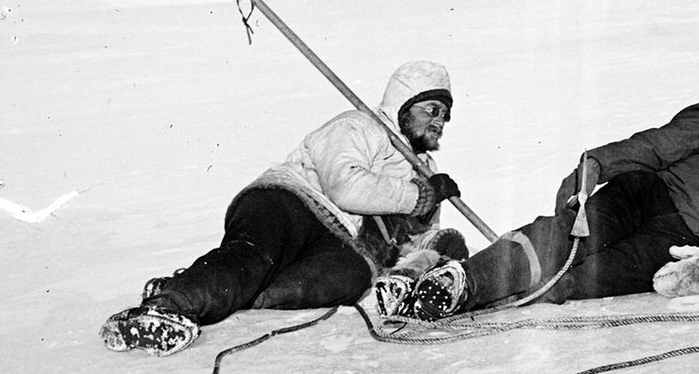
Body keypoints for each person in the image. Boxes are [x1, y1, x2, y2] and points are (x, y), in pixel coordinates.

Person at [389, 50, 699, 321]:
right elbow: (660, 143)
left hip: (692, 242)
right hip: (650, 192)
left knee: (588, 277)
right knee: (565, 237)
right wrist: (599, 163)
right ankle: (462, 283)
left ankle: (465, 294)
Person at [101, 61, 468, 355]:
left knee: (349, 280)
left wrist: (436, 245)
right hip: (292, 201)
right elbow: (345, 187)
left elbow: (409, 241)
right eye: (432, 109)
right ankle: (165, 307)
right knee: (254, 259)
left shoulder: (425, 173)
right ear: (403, 105)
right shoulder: (361, 127)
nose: (440, 121)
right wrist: (418, 196)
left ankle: (196, 285)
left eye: (445, 116)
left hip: (342, 242)